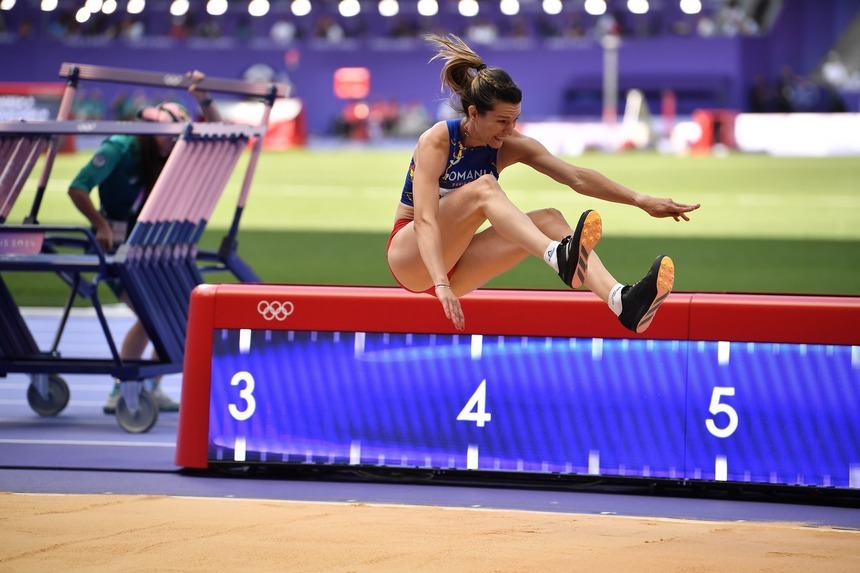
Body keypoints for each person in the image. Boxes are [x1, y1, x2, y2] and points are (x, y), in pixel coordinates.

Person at [386, 34, 700, 333]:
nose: (510, 130)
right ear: (473, 113)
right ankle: (556, 255)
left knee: (551, 218)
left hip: (458, 262)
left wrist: (640, 200)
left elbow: (576, 176)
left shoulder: (510, 144)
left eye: (515, 120)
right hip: (411, 257)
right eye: (501, 121)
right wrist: (439, 283)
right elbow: (425, 220)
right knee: (485, 188)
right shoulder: (439, 140)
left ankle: (622, 302)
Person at [67, 71, 222, 414]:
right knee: (153, 314)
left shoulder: (168, 154)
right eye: (170, 139)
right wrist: (100, 224)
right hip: (117, 248)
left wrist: (204, 97)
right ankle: (122, 389)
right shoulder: (119, 146)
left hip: (151, 247)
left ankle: (150, 385)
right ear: (155, 132)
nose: (174, 147)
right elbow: (77, 188)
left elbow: (219, 133)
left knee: (178, 312)